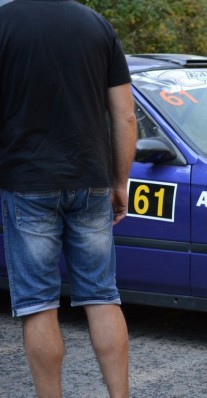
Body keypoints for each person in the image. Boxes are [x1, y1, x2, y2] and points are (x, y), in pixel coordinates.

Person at [0, 1, 136, 397]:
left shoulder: (4, 23)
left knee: (38, 304)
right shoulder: (95, 24)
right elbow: (125, 116)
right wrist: (120, 181)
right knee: (102, 296)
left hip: (26, 183)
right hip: (91, 180)